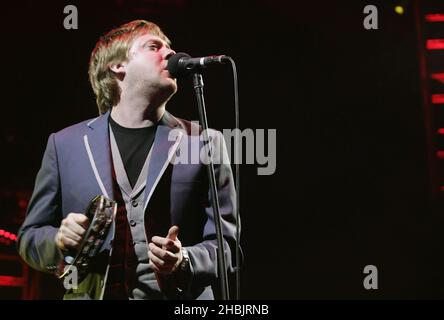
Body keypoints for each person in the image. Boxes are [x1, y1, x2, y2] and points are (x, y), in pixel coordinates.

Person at [17, 19, 239, 300]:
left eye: (169, 47)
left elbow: (228, 247)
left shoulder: (204, 142)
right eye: (154, 46)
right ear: (117, 66)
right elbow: (29, 237)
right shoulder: (64, 144)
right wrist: (58, 240)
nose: (170, 53)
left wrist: (184, 260)